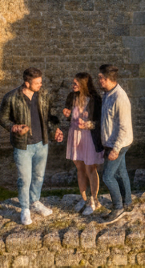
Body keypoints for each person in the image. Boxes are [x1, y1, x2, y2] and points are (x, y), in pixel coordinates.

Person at [0, 67, 63, 226]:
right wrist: (14, 127)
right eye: (37, 83)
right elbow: (2, 118)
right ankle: (25, 209)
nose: (40, 85)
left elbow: (49, 117)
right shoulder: (11, 97)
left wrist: (55, 130)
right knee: (24, 179)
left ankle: (35, 202)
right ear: (27, 83)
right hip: (23, 145)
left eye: (41, 81)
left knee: (39, 176)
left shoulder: (44, 95)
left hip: (42, 143)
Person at [62, 72, 104, 216]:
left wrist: (87, 124)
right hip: (74, 135)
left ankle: (94, 201)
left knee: (90, 169)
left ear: (83, 84)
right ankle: (84, 199)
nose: (72, 85)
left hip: (89, 136)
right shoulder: (71, 96)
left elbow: (100, 122)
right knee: (80, 168)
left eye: (75, 83)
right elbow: (69, 113)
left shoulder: (95, 99)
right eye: (72, 83)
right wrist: (67, 113)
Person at [96, 63, 134, 223]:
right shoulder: (107, 94)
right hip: (112, 142)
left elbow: (124, 127)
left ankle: (118, 208)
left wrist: (116, 149)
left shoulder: (120, 98)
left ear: (106, 79)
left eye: (100, 78)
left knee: (107, 177)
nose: (98, 81)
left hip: (119, 143)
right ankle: (128, 203)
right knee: (121, 172)